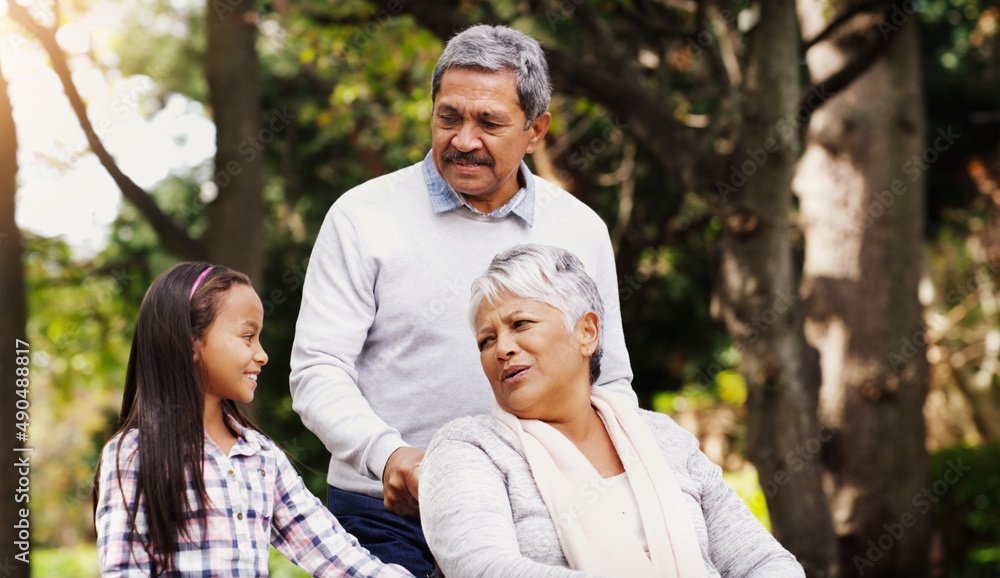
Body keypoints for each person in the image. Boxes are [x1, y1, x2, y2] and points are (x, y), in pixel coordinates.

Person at [290, 24, 637, 576]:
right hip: (385, 511)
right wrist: (389, 456)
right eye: (449, 117)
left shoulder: (579, 228)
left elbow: (610, 380)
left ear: (535, 130)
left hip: (536, 507)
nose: (463, 139)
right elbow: (317, 369)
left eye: (490, 123)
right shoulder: (361, 215)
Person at [419, 244, 806, 577]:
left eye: (520, 324)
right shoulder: (468, 449)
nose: (502, 348)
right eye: (487, 340)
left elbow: (764, 561)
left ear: (587, 332)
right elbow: (482, 569)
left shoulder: (663, 438)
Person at [93, 263, 412, 577]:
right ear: (191, 341)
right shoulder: (133, 455)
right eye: (248, 336)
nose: (262, 355)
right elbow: (123, 569)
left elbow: (333, 553)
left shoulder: (261, 457)